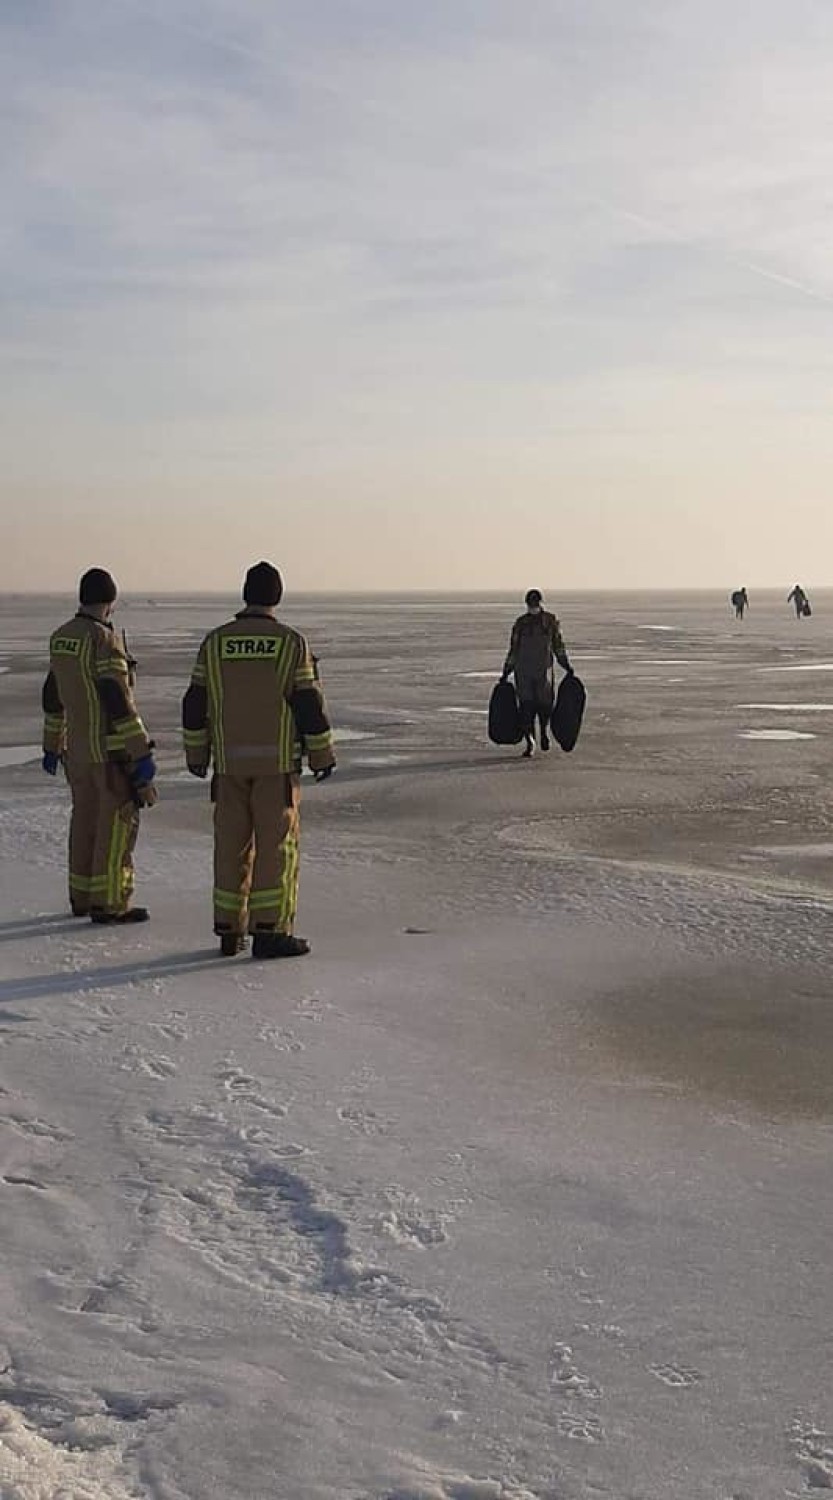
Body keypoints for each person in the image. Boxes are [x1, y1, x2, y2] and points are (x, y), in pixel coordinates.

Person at [182, 562, 336, 960]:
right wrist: (322, 754)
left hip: (229, 767)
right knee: (275, 848)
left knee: (230, 846)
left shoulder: (214, 643)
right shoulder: (290, 644)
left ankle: (229, 929)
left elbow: (194, 703)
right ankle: (269, 930)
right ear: (277, 596)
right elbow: (307, 703)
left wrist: (197, 754)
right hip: (276, 768)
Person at [41, 568, 157, 923]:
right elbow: (117, 699)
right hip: (108, 753)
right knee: (116, 826)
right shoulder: (104, 640)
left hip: (76, 753)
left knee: (85, 823)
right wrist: (141, 753)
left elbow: (53, 695)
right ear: (110, 602)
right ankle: (109, 903)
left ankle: (81, 896)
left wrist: (51, 743)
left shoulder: (61, 637)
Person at [501, 589, 571, 757]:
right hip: (538, 672)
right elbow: (558, 646)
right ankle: (534, 739)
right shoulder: (547, 621)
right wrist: (566, 665)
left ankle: (536, 737)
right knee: (534, 707)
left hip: (532, 671)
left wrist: (506, 670)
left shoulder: (526, 623)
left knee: (532, 707)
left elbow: (514, 650)